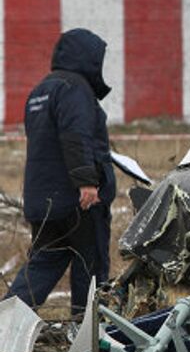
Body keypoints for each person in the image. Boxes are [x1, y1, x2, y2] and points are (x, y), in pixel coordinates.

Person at [3, 28, 115, 317]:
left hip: (43, 203)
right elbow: (75, 135)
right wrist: (87, 182)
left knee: (41, 266)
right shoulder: (74, 87)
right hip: (78, 203)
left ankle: (5, 325)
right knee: (90, 271)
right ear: (87, 59)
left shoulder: (40, 90)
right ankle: (89, 341)